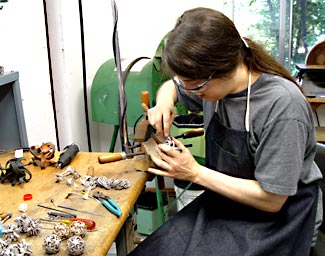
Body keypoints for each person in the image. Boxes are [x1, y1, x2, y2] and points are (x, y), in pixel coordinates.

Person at [128, 7, 323, 256]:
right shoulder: (215, 89)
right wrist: (164, 100)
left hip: (280, 219)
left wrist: (194, 173)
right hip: (227, 204)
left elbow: (273, 200)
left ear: (220, 67)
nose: (192, 92)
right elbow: (173, 86)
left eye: (195, 85)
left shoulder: (281, 106)